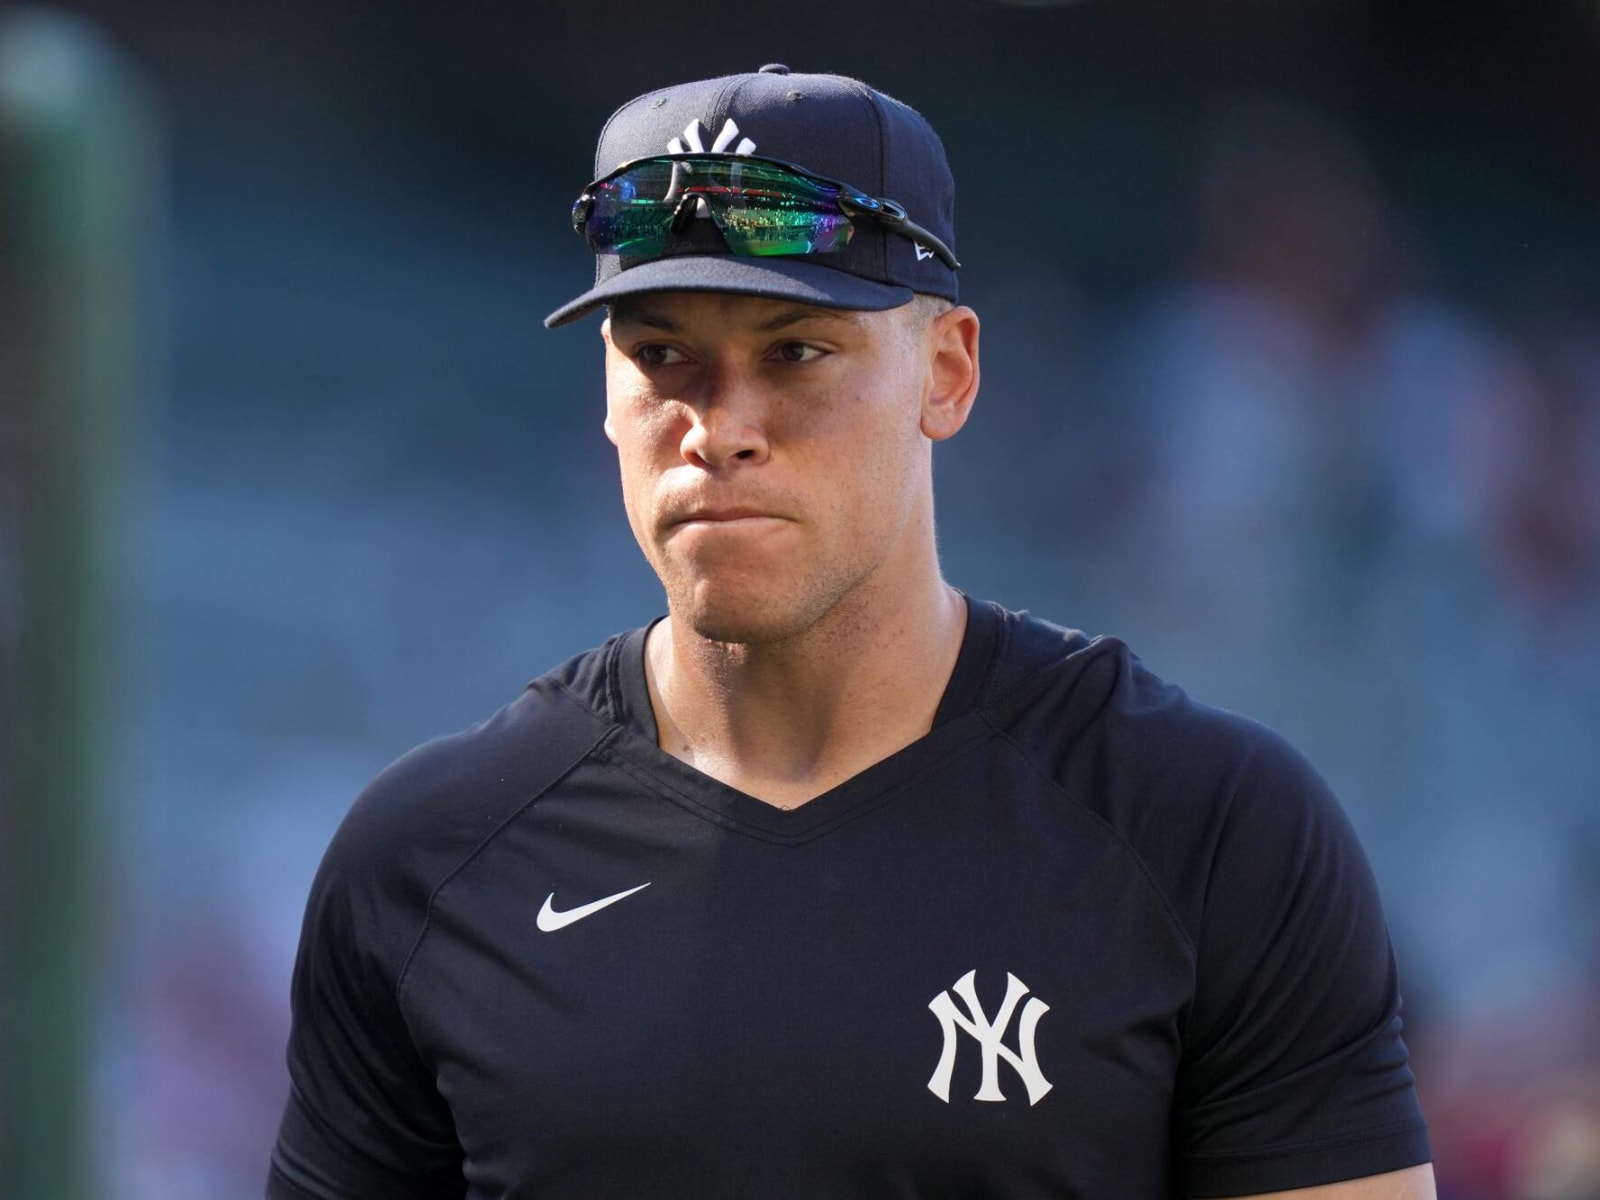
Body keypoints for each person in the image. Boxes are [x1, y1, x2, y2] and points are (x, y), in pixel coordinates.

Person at [266, 65, 1436, 1199]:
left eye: (796, 353)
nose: (718, 427)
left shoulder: (1206, 830)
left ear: (947, 371)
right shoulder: (427, 863)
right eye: (660, 354)